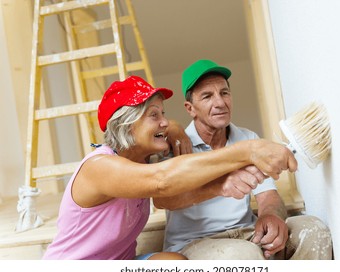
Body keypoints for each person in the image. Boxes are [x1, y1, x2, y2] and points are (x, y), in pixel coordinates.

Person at [42, 75, 297, 260]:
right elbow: (162, 181)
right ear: (128, 124)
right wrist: (247, 151)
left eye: (164, 114)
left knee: (174, 264)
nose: (165, 121)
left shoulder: (143, 159)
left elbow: (168, 164)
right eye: (155, 115)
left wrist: (172, 128)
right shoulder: (99, 167)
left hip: (121, 264)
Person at [154, 59, 333, 260]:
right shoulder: (176, 145)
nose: (220, 102)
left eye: (224, 93)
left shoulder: (248, 139)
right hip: (196, 242)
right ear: (190, 108)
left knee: (313, 230)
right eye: (207, 96)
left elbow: (268, 195)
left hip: (247, 234)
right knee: (243, 255)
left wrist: (270, 216)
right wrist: (219, 186)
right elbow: (163, 199)